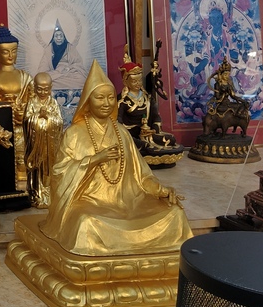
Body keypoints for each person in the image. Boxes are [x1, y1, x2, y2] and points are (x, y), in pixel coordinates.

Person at [40, 61, 192, 256]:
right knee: (86, 223)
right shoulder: (74, 133)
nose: (106, 103)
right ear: (87, 101)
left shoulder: (121, 132)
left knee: (175, 213)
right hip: (90, 202)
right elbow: (59, 173)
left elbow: (142, 175)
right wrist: (94, 159)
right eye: (99, 98)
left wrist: (161, 189)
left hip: (130, 201)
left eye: (111, 97)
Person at [0, 25, 32, 192]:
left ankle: (27, 183)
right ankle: (9, 185)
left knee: (25, 156)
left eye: (14, 51)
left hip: (23, 124)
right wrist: (9, 113)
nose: (10, 55)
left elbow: (33, 103)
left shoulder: (26, 77)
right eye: (5, 52)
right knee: (7, 160)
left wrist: (23, 112)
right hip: (4, 129)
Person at [23, 72, 62, 209]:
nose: (43, 92)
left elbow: (59, 121)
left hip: (50, 146)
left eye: (46, 89)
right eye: (39, 89)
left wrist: (48, 117)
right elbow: (27, 121)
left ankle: (50, 195)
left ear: (51, 88)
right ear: (34, 87)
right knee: (37, 169)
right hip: (37, 147)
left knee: (50, 169)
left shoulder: (53, 103)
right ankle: (36, 195)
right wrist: (38, 116)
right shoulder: (31, 103)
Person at [34, 21, 87, 89]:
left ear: (64, 37)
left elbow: (78, 63)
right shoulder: (49, 50)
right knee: (42, 80)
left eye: (61, 36)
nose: (59, 38)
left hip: (68, 73)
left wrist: (69, 68)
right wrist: (57, 72)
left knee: (81, 79)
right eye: (56, 36)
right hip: (55, 74)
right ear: (53, 38)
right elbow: (43, 68)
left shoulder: (70, 48)